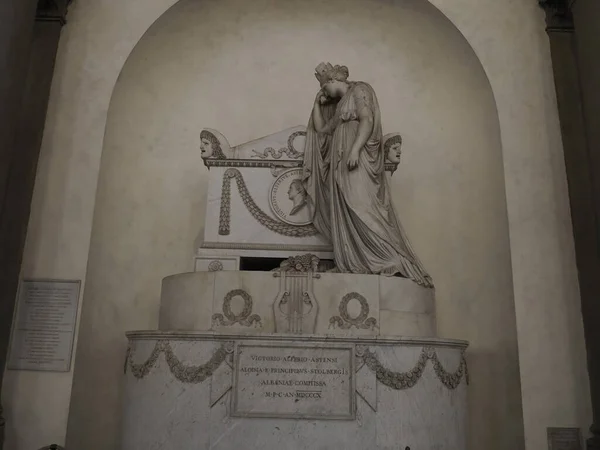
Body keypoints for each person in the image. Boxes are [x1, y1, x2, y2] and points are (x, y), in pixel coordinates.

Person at [302, 63, 433, 288]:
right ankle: (354, 261)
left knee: (361, 205)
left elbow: (367, 120)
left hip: (356, 159)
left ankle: (389, 258)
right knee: (345, 208)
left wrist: (355, 149)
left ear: (334, 81)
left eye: (325, 87)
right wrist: (316, 104)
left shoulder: (360, 90)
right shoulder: (341, 105)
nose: (324, 93)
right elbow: (322, 130)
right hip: (340, 163)